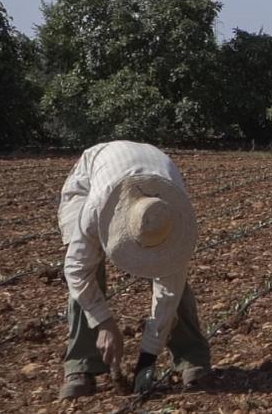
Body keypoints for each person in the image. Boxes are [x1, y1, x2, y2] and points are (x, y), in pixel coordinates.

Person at [57, 141, 210, 399]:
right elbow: (76, 269)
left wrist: (147, 359)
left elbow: (168, 293)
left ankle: (191, 357)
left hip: (156, 168)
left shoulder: (172, 215)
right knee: (89, 269)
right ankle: (80, 365)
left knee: (173, 271)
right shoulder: (96, 208)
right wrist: (104, 323)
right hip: (92, 175)